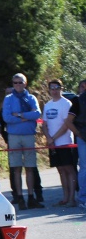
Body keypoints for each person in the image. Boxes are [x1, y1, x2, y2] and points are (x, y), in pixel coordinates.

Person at [2, 73, 43, 209]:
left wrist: (19, 115)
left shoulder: (31, 98)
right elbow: (7, 117)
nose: (18, 85)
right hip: (14, 136)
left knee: (30, 167)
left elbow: (37, 113)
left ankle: (31, 197)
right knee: (16, 168)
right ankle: (20, 197)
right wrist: (26, 117)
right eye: (15, 83)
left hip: (28, 135)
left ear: (25, 83)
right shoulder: (8, 99)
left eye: (20, 82)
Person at [42, 79, 77, 207]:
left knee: (69, 169)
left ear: (61, 88)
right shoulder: (47, 105)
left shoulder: (66, 103)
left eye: (57, 88)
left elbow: (66, 125)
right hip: (53, 143)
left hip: (65, 141)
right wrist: (48, 138)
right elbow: (44, 124)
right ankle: (65, 197)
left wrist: (54, 138)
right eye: (52, 88)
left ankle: (72, 197)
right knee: (60, 169)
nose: (54, 90)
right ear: (49, 90)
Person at [67, 79, 86, 208]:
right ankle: (83, 198)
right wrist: (79, 134)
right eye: (82, 87)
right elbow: (68, 121)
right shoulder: (77, 101)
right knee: (85, 168)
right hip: (83, 138)